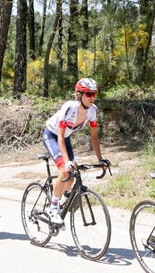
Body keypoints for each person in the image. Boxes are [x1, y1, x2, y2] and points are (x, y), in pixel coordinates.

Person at [41, 78, 108, 225]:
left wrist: (100, 159)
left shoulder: (93, 111)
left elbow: (94, 136)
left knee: (71, 178)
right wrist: (66, 161)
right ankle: (52, 208)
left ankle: (59, 200)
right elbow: (59, 137)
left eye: (94, 94)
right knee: (65, 171)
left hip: (65, 139)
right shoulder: (69, 108)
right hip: (52, 136)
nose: (92, 97)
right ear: (80, 95)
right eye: (88, 94)